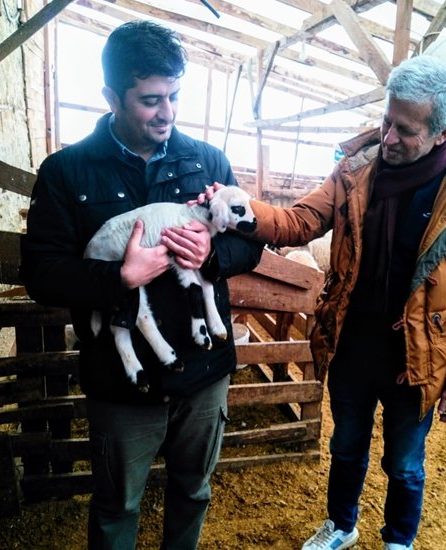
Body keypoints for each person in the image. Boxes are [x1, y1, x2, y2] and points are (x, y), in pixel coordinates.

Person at [196, 52, 446, 550]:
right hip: (352, 342)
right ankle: (342, 525)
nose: (388, 138)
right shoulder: (356, 171)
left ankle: (399, 540)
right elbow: (299, 222)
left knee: (405, 463)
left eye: (405, 130)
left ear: (444, 133)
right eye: (386, 121)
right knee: (346, 444)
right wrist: (242, 206)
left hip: (417, 356)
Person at [19, 20, 263, 549]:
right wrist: (118, 277)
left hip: (203, 372)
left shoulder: (207, 162)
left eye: (174, 96)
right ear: (112, 97)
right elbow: (41, 273)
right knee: (117, 505)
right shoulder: (67, 172)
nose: (167, 112)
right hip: (121, 380)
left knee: (193, 490)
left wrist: (213, 255)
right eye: (151, 100)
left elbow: (251, 243)